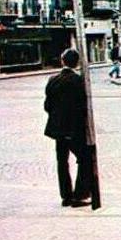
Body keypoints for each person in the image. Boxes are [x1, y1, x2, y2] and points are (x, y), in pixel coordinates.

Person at [43, 48, 92, 208]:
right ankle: (80, 194)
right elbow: (82, 107)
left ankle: (66, 196)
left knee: (62, 162)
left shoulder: (52, 80)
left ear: (62, 61)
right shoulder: (78, 81)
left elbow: (47, 106)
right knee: (84, 159)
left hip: (57, 130)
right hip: (73, 129)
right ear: (77, 63)